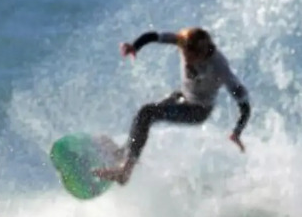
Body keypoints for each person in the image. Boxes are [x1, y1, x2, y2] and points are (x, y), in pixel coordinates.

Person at [95, 26, 251, 186]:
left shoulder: (220, 67)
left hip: (198, 111)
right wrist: (134, 46)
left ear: (201, 53)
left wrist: (237, 132)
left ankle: (125, 171)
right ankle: (125, 154)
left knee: (147, 112)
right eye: (184, 54)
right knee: (143, 116)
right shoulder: (183, 40)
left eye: (191, 57)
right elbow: (154, 36)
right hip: (181, 96)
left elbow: (244, 104)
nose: (186, 60)